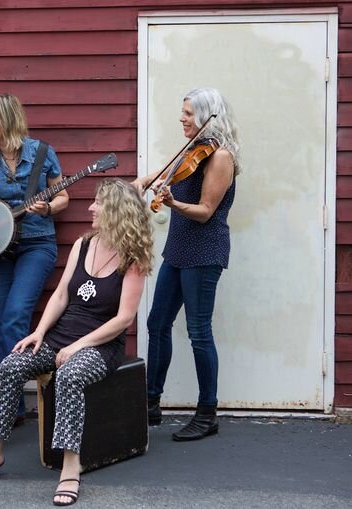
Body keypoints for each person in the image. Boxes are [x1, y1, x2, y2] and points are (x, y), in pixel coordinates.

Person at [0, 178, 153, 506]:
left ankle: (70, 466)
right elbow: (61, 294)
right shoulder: (84, 244)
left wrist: (79, 346)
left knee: (70, 375)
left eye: (99, 203)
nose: (91, 207)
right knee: (11, 365)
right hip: (59, 337)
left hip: (101, 347)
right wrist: (39, 332)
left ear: (117, 211)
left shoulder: (134, 258)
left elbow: (123, 320)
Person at [133, 87, 241, 441]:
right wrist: (145, 181)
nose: (181, 117)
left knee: (198, 332)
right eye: (182, 112)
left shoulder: (220, 157)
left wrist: (173, 203)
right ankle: (151, 402)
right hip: (178, 248)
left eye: (188, 112)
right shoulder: (193, 151)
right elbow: (167, 177)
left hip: (204, 250)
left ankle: (207, 412)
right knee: (157, 322)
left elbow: (206, 211)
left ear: (208, 114)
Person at [0, 93, 69, 422]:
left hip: (37, 244)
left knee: (14, 317)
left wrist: (48, 206)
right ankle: (13, 406)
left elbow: (62, 196)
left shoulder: (43, 153)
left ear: (8, 119)